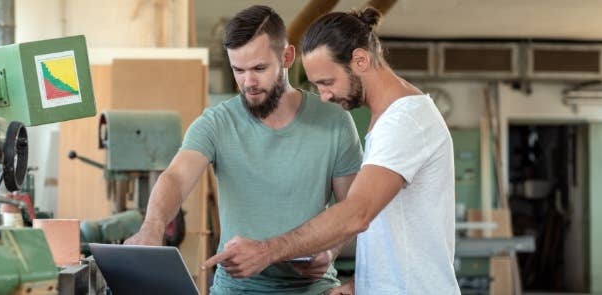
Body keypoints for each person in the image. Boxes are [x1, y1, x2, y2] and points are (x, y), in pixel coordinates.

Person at [203, 7, 460, 295]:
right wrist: (359, 285)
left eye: (327, 82)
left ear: (360, 60)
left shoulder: (405, 120)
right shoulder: (388, 120)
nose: (324, 96)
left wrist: (267, 251)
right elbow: (391, 233)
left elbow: (356, 213)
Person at [124, 5, 363, 295]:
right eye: (238, 70)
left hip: (313, 287)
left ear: (286, 57)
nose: (248, 82)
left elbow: (351, 209)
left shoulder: (334, 121)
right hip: (236, 289)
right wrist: (153, 226)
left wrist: (330, 251)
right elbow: (176, 177)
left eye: (259, 68)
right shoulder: (216, 122)